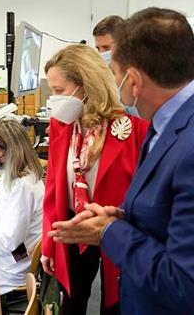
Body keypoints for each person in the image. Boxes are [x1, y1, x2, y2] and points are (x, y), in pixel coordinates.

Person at [50, 7, 194, 315]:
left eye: (113, 73)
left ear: (134, 80)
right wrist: (124, 216)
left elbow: (191, 287)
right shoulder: (171, 121)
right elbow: (178, 209)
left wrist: (109, 232)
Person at [41, 44, 149, 315]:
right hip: (72, 226)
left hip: (116, 231)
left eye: (58, 90)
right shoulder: (61, 125)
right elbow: (53, 189)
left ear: (86, 86)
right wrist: (49, 244)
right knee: (72, 301)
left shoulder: (134, 130)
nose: (52, 99)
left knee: (114, 304)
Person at [0, 120, 44, 309]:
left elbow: (10, 240)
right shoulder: (21, 174)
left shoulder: (22, 186)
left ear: (11, 150)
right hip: (16, 254)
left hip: (13, 265)